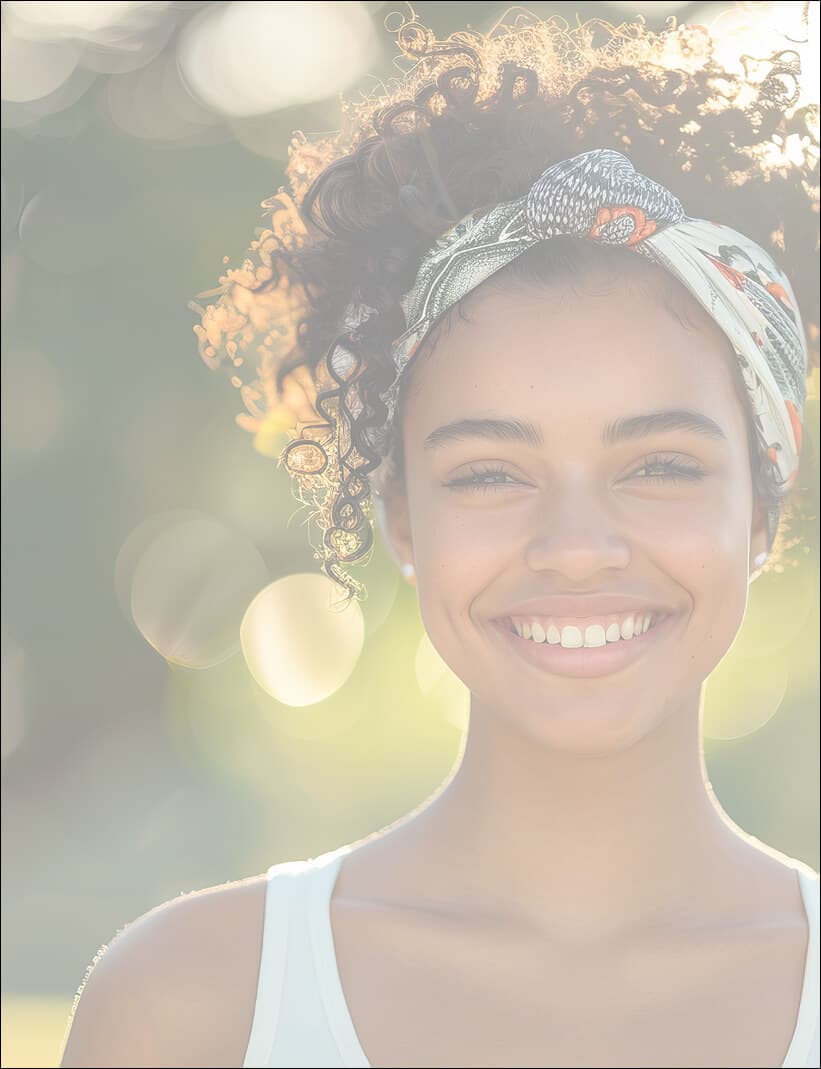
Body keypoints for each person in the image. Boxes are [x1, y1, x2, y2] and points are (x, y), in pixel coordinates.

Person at [61, 9, 819, 1068]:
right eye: (490, 473)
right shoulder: (193, 1008)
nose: (574, 545)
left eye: (656, 464)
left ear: (760, 507)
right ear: (401, 515)